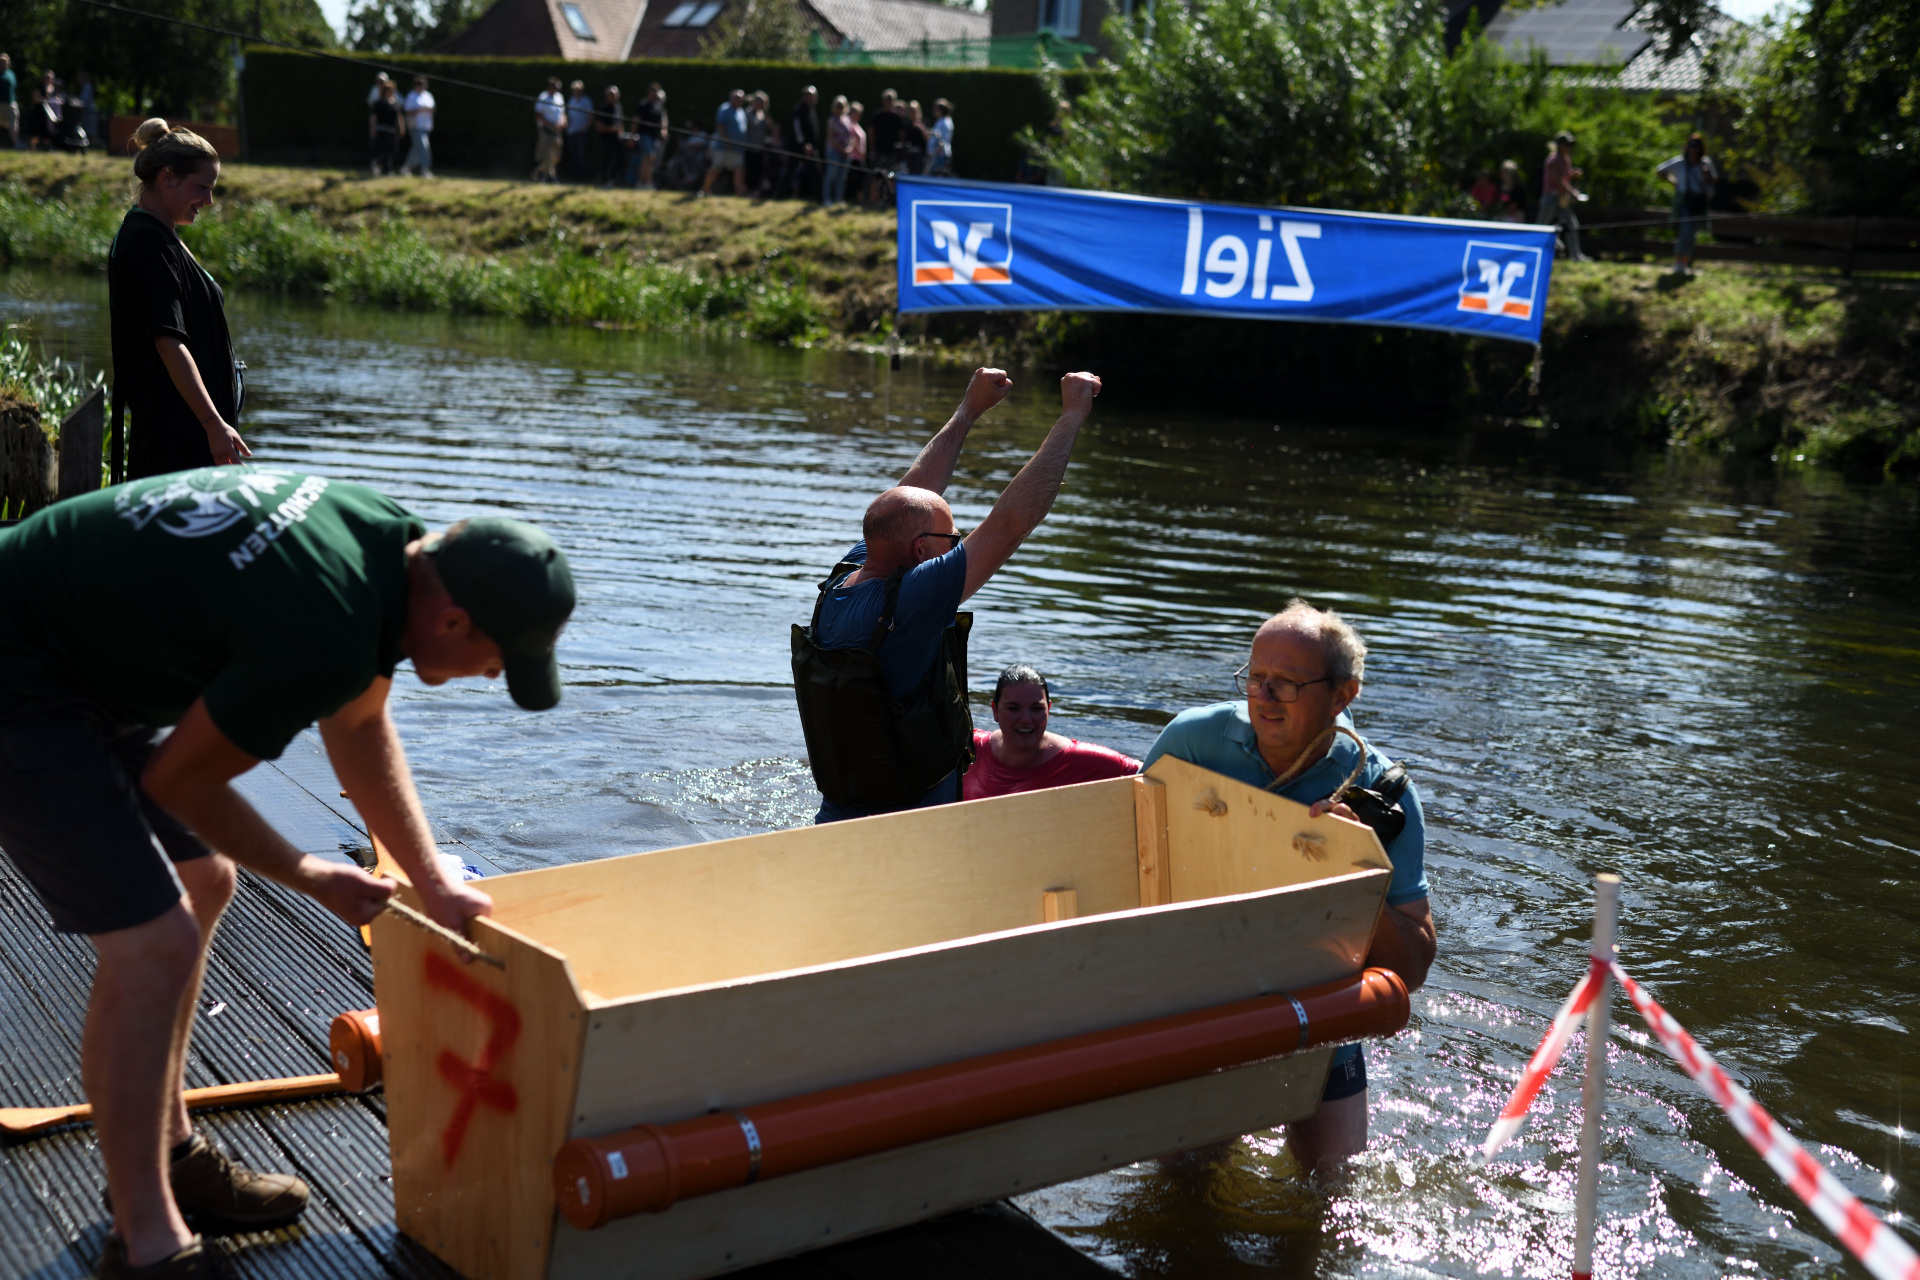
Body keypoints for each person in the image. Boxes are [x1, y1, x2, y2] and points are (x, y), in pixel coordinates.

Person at [0, 470, 575, 1280]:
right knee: (153, 941)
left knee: (206, 884)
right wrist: (312, 874)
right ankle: (146, 1243)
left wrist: (433, 882)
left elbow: (360, 717)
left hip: (77, 657)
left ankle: (168, 1159)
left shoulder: (392, 540)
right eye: (495, 661)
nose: (490, 678)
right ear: (452, 617)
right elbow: (182, 782)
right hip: (22, 671)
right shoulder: (325, 620)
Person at [1140, 601, 1434, 1174]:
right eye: (1256, 677)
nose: (1264, 697)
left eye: (1288, 684)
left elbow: (1414, 968)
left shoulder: (1380, 790)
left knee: (1330, 1192)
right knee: (1180, 1184)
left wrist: (1359, 870)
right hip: (1205, 998)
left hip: (1319, 1011)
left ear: (1343, 695)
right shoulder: (1192, 743)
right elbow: (1130, 857)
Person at [798, 368, 1102, 823]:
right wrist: (1072, 415)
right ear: (921, 551)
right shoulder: (912, 598)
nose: (957, 545)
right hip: (909, 822)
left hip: (840, 810)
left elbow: (910, 497)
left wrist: (968, 411)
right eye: (951, 538)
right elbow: (1011, 523)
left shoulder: (844, 578)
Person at [109, 121, 248, 480]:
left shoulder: (162, 236)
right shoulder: (147, 243)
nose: (209, 200)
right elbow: (169, 342)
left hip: (188, 439)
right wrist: (213, 424)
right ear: (167, 177)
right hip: (175, 443)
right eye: (201, 187)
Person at [963, 665, 1138, 801]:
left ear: (1049, 709)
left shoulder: (1077, 759)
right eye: (1013, 708)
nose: (1025, 719)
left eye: (1036, 708)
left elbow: (1146, 771)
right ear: (995, 711)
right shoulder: (967, 749)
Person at [1657, 133, 1717, 276]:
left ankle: (1685, 263)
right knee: (1685, 230)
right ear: (1687, 147)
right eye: (1691, 146)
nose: (1694, 149)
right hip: (1685, 201)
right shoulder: (1680, 162)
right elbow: (1660, 170)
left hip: (1699, 201)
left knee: (1692, 233)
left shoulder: (1705, 163)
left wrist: (1706, 175)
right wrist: (1674, 182)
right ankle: (1679, 263)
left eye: (1696, 146)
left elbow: (1714, 180)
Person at [1538, 131, 1588, 261]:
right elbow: (1558, 180)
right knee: (1540, 227)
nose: (1569, 146)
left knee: (1572, 225)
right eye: (1567, 144)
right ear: (1560, 145)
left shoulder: (1566, 160)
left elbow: (1564, 178)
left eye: (1570, 144)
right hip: (1551, 198)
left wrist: (1572, 175)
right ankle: (1533, 253)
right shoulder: (1553, 159)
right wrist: (1573, 193)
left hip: (1561, 199)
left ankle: (1576, 256)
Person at [701, 88, 748, 198]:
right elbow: (720, 126)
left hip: (737, 148)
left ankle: (739, 193)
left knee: (739, 169)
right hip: (723, 146)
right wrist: (726, 140)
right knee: (717, 168)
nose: (739, 100)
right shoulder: (725, 109)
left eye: (741, 99)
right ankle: (705, 189)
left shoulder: (741, 111)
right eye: (737, 98)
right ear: (731, 99)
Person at [865, 88, 902, 203]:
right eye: (887, 100)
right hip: (879, 151)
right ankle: (873, 202)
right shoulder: (877, 116)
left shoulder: (897, 118)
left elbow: (902, 136)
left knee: (890, 178)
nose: (889, 102)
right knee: (876, 177)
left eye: (891, 100)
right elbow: (871, 133)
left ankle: (887, 201)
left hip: (892, 153)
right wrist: (872, 149)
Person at [627, 83, 666, 188]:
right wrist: (632, 136)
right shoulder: (643, 105)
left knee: (651, 159)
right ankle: (643, 182)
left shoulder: (658, 107)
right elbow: (636, 121)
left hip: (655, 137)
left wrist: (663, 131)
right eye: (651, 92)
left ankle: (646, 181)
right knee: (648, 157)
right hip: (644, 135)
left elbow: (662, 121)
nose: (653, 95)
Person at [786, 85, 819, 201]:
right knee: (790, 170)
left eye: (814, 96)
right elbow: (797, 129)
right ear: (805, 97)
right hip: (799, 147)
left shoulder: (811, 110)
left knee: (816, 172)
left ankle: (818, 198)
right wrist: (804, 144)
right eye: (811, 96)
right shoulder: (799, 110)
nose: (814, 98)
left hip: (811, 147)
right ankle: (779, 195)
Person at [532, 77, 566, 183]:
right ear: (550, 87)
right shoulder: (543, 97)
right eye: (555, 87)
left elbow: (562, 113)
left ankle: (538, 171)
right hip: (546, 130)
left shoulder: (560, 97)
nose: (557, 89)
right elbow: (538, 115)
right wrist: (551, 125)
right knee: (547, 155)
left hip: (557, 131)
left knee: (557, 156)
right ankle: (546, 178)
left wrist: (563, 122)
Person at [400, 76, 434, 178]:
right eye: (419, 85)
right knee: (424, 147)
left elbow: (433, 109)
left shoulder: (428, 95)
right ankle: (425, 169)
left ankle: (406, 168)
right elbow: (407, 110)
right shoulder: (412, 95)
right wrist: (420, 110)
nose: (421, 87)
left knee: (416, 148)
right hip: (415, 126)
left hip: (426, 126)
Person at [368, 80, 402, 176]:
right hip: (381, 129)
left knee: (391, 150)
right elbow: (373, 117)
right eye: (390, 90)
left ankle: (387, 170)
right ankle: (377, 166)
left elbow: (399, 116)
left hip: (392, 130)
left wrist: (401, 128)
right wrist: (372, 129)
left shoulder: (395, 103)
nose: (392, 92)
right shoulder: (379, 102)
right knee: (381, 150)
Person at [822, 94, 851, 206]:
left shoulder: (847, 119)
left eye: (841, 106)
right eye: (838, 106)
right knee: (831, 175)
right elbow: (831, 138)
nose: (840, 109)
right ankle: (827, 199)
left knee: (841, 177)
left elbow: (851, 136)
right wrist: (842, 149)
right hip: (833, 152)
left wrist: (848, 149)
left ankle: (839, 199)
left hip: (845, 153)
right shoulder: (831, 120)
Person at [595, 84, 625, 187]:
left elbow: (621, 123)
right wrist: (611, 129)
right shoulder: (603, 108)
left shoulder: (618, 107)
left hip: (617, 139)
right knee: (607, 160)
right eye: (611, 94)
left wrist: (621, 132)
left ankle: (612, 178)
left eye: (615, 94)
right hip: (606, 139)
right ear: (606, 95)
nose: (613, 96)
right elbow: (598, 126)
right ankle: (605, 181)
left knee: (621, 158)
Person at [564, 80, 593, 182]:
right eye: (575, 89)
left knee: (581, 155)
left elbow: (590, 116)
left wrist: (585, 128)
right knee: (573, 155)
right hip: (571, 131)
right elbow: (567, 114)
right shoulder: (571, 100)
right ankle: (573, 177)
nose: (576, 91)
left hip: (581, 132)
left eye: (578, 89)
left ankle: (582, 177)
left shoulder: (586, 101)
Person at [744, 91, 770, 197]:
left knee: (759, 170)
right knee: (750, 170)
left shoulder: (763, 114)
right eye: (758, 101)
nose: (760, 104)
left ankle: (756, 191)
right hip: (749, 146)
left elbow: (769, 127)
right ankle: (749, 190)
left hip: (760, 147)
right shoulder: (747, 112)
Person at [844, 101, 868, 206]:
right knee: (853, 179)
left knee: (860, 179)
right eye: (855, 112)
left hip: (859, 158)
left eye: (858, 113)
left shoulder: (857, 125)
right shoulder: (849, 126)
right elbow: (852, 142)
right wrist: (860, 152)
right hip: (853, 157)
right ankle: (857, 199)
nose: (857, 115)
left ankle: (859, 199)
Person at [899, 100, 927, 177]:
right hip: (909, 154)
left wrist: (922, 129)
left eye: (914, 111)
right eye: (911, 111)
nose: (913, 113)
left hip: (920, 155)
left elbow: (927, 139)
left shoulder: (924, 122)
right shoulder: (907, 125)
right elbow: (903, 140)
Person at [927, 98, 954, 176]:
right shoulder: (941, 121)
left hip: (940, 157)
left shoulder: (944, 123)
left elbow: (943, 143)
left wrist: (933, 153)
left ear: (940, 110)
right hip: (938, 156)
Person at [0, 54, 17, 150]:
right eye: (1, 62)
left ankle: (16, 144)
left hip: (10, 103)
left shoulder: (11, 74)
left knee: (13, 124)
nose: (3, 64)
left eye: (5, 62)